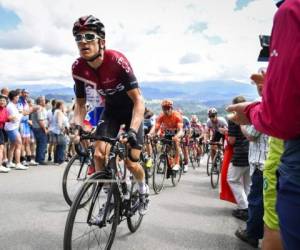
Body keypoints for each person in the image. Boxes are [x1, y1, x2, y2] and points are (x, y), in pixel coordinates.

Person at [227, 1, 300, 249]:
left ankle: (249, 222)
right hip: (268, 159)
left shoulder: (290, 10)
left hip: (277, 158)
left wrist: (248, 113)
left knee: (273, 220)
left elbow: (277, 118)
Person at [71, 15, 148, 214]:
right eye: (78, 38)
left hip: (132, 111)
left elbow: (139, 100)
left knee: (132, 162)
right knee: (98, 154)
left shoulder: (116, 60)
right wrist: (77, 128)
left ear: (101, 42)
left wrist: (132, 130)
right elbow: (80, 104)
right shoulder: (78, 67)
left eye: (89, 36)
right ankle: (109, 199)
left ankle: (142, 189)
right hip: (111, 110)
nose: (83, 42)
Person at [235, 74, 269, 248]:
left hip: (262, 161)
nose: (257, 87)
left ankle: (252, 233)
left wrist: (241, 122)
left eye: (258, 83)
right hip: (273, 159)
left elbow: (252, 134)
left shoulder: (262, 102)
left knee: (257, 200)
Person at [227, 96, 250, 222]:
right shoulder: (251, 116)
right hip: (252, 153)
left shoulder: (234, 118)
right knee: (248, 183)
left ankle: (244, 207)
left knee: (232, 179)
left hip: (240, 153)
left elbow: (232, 140)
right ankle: (250, 207)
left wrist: (227, 133)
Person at [150, 99, 183, 171]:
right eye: (164, 108)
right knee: (163, 145)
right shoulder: (161, 115)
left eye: (167, 108)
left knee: (176, 142)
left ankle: (177, 163)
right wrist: (154, 134)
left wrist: (177, 136)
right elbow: (157, 127)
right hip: (168, 132)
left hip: (176, 132)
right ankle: (167, 160)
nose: (166, 110)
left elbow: (181, 130)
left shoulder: (177, 115)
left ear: (171, 108)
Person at [4, 90, 28, 170]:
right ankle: (17, 163)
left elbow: (16, 117)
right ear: (14, 97)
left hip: (12, 127)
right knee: (19, 144)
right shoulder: (11, 106)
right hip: (12, 128)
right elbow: (14, 118)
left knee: (13, 145)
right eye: (17, 97)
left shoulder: (12, 105)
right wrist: (21, 114)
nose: (18, 98)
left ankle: (10, 162)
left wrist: (20, 115)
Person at [18, 89, 38, 166]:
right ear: (21, 93)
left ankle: (29, 159)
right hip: (22, 123)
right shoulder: (20, 101)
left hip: (26, 124)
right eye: (25, 93)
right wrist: (31, 110)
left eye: (27, 93)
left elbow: (26, 112)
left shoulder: (25, 101)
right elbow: (22, 112)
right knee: (23, 142)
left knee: (27, 142)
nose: (26, 94)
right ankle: (22, 159)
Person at [31, 96, 48, 165]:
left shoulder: (37, 107)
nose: (45, 101)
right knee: (42, 144)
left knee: (39, 144)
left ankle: (38, 158)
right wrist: (45, 129)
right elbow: (40, 120)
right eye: (44, 100)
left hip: (36, 128)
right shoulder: (39, 108)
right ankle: (40, 159)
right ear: (40, 102)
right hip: (40, 128)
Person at [0, 95, 10, 173]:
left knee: (2, 147)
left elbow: (7, 119)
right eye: (1, 100)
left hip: (2, 129)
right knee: (1, 148)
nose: (2, 102)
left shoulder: (5, 109)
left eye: (4, 101)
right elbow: (3, 119)